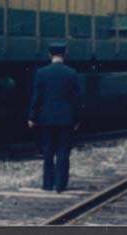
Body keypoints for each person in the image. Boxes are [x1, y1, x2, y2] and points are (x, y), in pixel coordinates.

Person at [27, 41, 82, 192]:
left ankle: (47, 184)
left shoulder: (41, 73)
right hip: (66, 118)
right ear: (65, 54)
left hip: (46, 118)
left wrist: (32, 117)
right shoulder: (72, 73)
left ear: (49, 54)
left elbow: (36, 97)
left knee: (48, 151)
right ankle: (60, 185)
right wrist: (77, 119)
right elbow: (77, 99)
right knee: (63, 152)